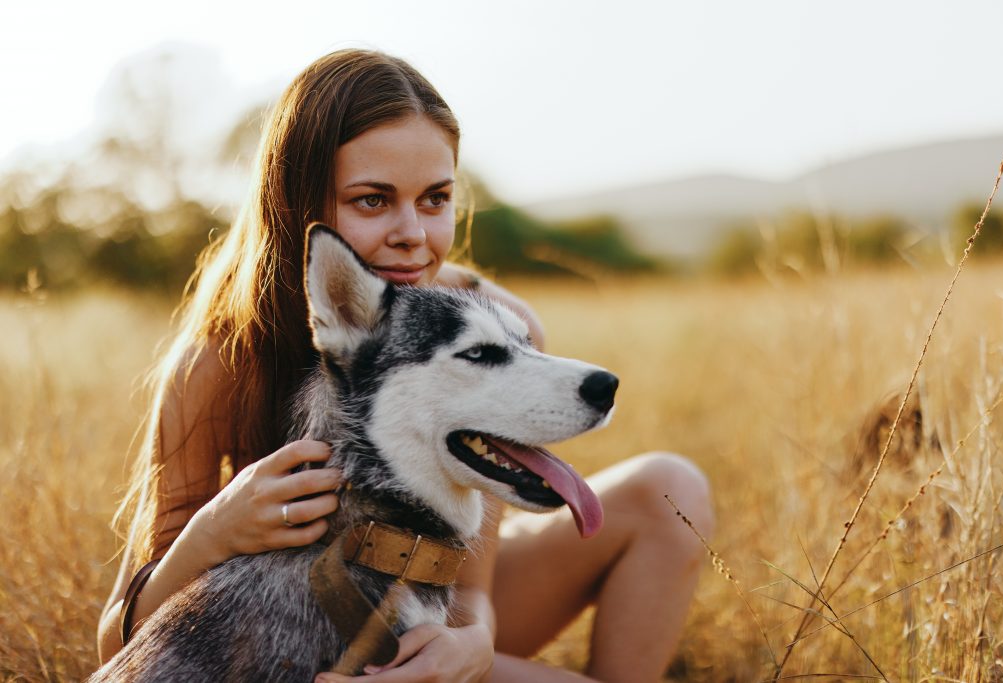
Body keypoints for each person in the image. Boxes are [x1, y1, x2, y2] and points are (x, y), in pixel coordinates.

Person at [96, 49, 714, 683]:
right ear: (297, 201)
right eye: (372, 200)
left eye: (435, 198)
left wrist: (471, 641)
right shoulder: (221, 360)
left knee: (672, 489)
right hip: (287, 633)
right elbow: (119, 644)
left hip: (436, 605)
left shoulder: (497, 318)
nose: (412, 233)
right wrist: (211, 534)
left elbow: (471, 584)